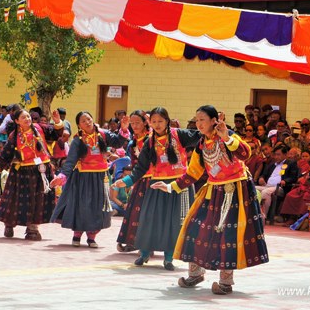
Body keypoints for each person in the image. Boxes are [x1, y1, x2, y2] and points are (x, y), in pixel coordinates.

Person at [150, 105, 268, 295]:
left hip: (235, 190)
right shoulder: (201, 144)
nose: (198, 124)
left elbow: (245, 154)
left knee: (227, 235)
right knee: (194, 227)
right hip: (213, 190)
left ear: (214, 121)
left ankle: (225, 282)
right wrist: (171, 186)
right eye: (196, 120)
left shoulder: (228, 135)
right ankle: (196, 273)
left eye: (202, 119)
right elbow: (194, 172)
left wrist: (227, 138)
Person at [112, 107, 199, 270]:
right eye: (154, 121)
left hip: (178, 186)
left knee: (173, 223)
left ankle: (168, 258)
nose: (157, 125)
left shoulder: (179, 135)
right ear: (150, 123)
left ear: (167, 121)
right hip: (157, 185)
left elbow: (201, 136)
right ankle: (144, 253)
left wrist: (215, 128)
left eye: (160, 121)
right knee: (149, 220)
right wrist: (126, 181)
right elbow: (141, 168)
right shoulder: (149, 141)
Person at [50, 111, 130, 247]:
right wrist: (62, 176)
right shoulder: (77, 140)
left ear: (92, 119)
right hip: (82, 177)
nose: (87, 122)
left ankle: (92, 236)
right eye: (83, 121)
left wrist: (123, 128)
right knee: (82, 206)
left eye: (88, 119)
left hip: (100, 177)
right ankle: (77, 234)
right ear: (79, 125)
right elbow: (70, 161)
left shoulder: (103, 134)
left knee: (98, 206)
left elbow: (118, 142)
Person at [0, 109, 60, 240]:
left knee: (38, 200)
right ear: (17, 121)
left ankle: (32, 229)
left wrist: (58, 122)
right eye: (24, 117)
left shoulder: (39, 128)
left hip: (41, 170)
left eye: (28, 116)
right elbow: (5, 156)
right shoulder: (14, 136)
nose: (28, 119)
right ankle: (9, 223)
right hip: (22, 173)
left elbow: (55, 134)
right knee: (16, 201)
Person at [116, 110, 151, 253]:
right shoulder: (133, 142)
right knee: (136, 211)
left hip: (154, 180)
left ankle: (149, 244)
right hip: (140, 180)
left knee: (149, 212)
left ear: (145, 122)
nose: (135, 126)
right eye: (132, 123)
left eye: (138, 122)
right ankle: (133, 242)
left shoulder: (152, 139)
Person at [256, 145, 299, 218]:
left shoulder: (291, 163)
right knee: (253, 189)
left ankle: (263, 216)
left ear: (285, 155)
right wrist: (261, 178)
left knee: (265, 192)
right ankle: (253, 213)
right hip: (267, 186)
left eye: (278, 155)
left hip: (280, 187)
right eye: (275, 154)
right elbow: (264, 174)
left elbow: (293, 177)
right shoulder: (272, 164)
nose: (276, 157)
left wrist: (285, 181)